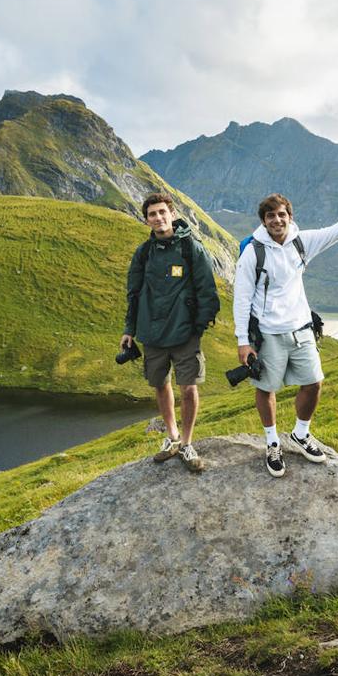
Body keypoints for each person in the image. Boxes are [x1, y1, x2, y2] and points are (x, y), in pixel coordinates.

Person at [233, 189, 338, 476]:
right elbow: (241, 297)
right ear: (263, 221)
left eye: (282, 215)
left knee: (313, 383)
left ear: (290, 217)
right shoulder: (253, 252)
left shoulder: (302, 242)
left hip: (301, 330)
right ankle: (272, 442)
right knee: (266, 388)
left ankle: (301, 434)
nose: (277, 220)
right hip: (268, 333)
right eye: (271, 216)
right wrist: (243, 341)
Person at [122, 192, 220, 472]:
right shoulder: (143, 253)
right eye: (152, 214)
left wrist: (196, 328)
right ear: (147, 220)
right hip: (152, 334)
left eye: (162, 212)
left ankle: (187, 444)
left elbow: (208, 293)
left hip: (185, 334)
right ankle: (172, 437)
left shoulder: (192, 249)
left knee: (188, 388)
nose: (158, 218)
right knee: (160, 385)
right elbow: (134, 292)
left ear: (172, 214)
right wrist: (130, 329)